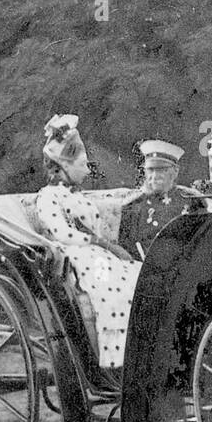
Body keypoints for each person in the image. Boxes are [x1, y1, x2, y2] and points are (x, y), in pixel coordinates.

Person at [35, 115, 141, 368]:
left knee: (137, 277)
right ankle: (113, 361)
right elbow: (62, 233)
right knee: (112, 292)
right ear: (63, 166)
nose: (87, 169)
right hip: (76, 258)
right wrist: (103, 244)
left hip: (97, 255)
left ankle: (137, 353)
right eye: (82, 164)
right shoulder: (48, 196)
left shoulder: (79, 197)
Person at [118, 139, 201, 258]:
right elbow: (126, 247)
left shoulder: (191, 199)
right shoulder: (133, 205)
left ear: (175, 171)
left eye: (162, 170)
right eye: (151, 170)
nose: (155, 176)